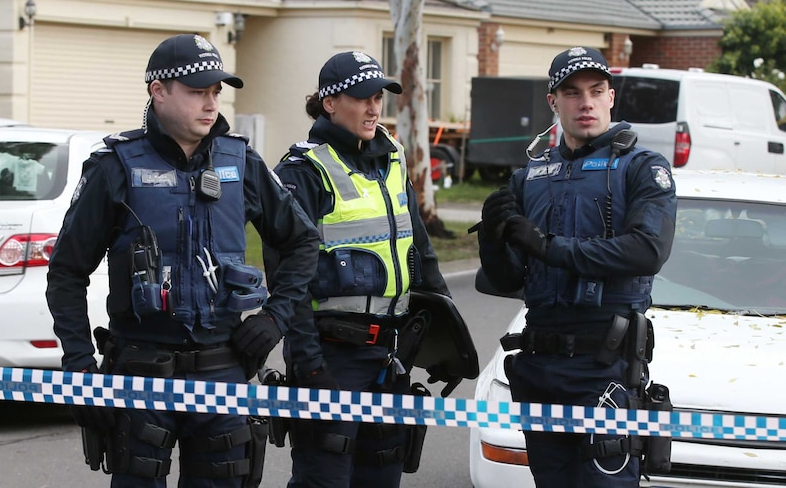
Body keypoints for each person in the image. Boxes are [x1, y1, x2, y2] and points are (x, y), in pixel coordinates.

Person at [46, 33, 319, 487]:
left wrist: (275, 317)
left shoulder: (241, 162)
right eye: (197, 91)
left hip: (223, 373)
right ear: (158, 92)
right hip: (140, 374)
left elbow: (301, 243)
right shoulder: (115, 166)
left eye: (215, 91)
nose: (210, 103)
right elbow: (67, 272)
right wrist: (79, 367)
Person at [476, 46, 678, 488]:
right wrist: (492, 242)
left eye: (595, 91)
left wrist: (547, 246)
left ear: (611, 98)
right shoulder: (528, 176)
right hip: (540, 370)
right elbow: (504, 279)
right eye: (572, 92)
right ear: (554, 102)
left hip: (603, 368)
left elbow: (647, 250)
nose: (585, 102)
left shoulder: (643, 168)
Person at [268, 50, 451, 488]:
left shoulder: (392, 159)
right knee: (325, 477)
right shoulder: (301, 172)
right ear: (330, 103)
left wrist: (446, 339)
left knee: (383, 472)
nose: (374, 108)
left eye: (379, 97)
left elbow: (420, 251)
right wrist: (311, 368)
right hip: (331, 357)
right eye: (362, 97)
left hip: (388, 357)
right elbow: (286, 282)